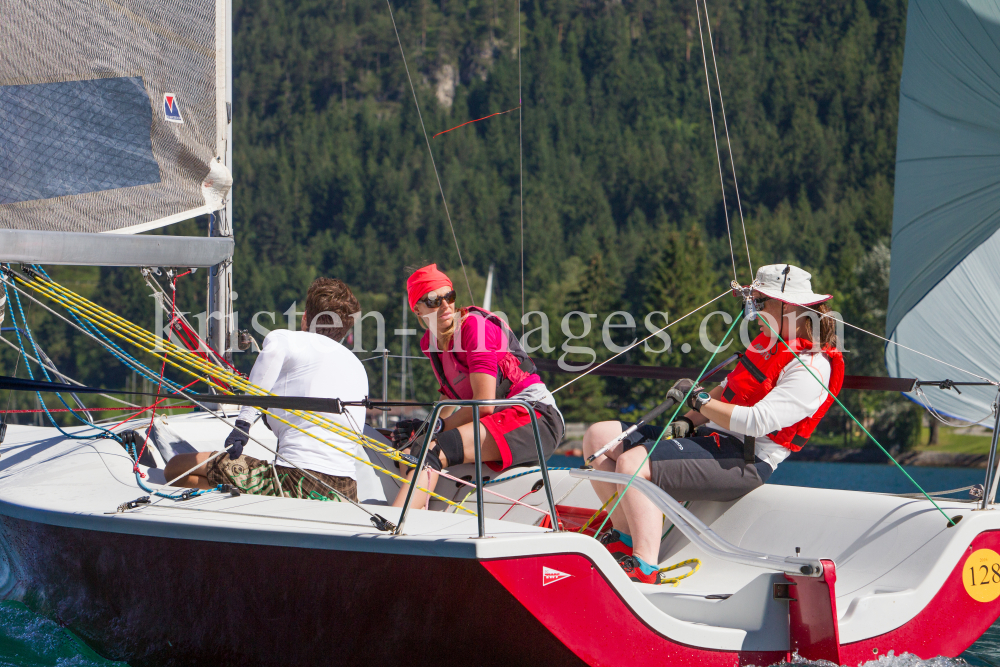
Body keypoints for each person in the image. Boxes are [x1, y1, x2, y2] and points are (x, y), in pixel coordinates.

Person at [583, 264, 844, 585]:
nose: (754, 310)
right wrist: (687, 423)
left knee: (631, 462)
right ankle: (623, 537)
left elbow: (757, 421)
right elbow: (728, 390)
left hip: (746, 459)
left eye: (762, 302)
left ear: (790, 307)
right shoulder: (767, 345)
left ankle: (644, 566)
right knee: (600, 438)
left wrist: (700, 402)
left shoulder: (811, 367)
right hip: (710, 440)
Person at [163, 278, 367, 502]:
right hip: (347, 492)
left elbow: (271, 358)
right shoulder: (358, 367)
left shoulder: (287, 339)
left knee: (176, 468)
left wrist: (243, 424)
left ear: (305, 318)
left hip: (294, 481)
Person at [390, 264, 565, 509]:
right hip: (499, 418)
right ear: (417, 309)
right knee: (412, 451)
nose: (445, 306)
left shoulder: (473, 328)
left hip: (534, 417)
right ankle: (416, 518)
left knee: (434, 449)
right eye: (433, 300)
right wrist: (422, 432)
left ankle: (397, 521)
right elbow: (447, 399)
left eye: (449, 297)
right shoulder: (430, 343)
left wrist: (435, 429)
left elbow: (484, 405)